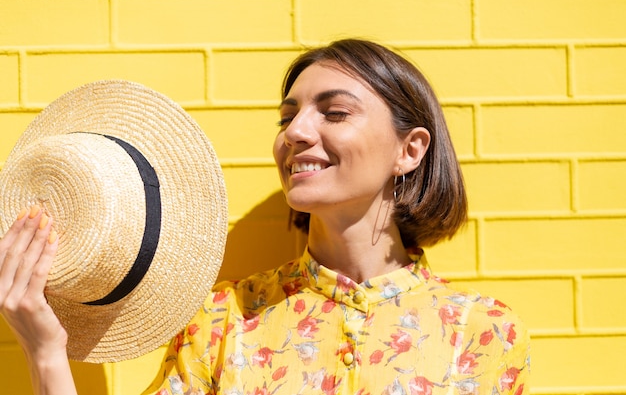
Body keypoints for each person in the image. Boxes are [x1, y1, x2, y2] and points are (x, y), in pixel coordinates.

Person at [0, 39, 530, 395]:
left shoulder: (483, 333)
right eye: (287, 116)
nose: (295, 132)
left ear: (409, 150)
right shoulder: (218, 322)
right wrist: (46, 354)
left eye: (335, 111)